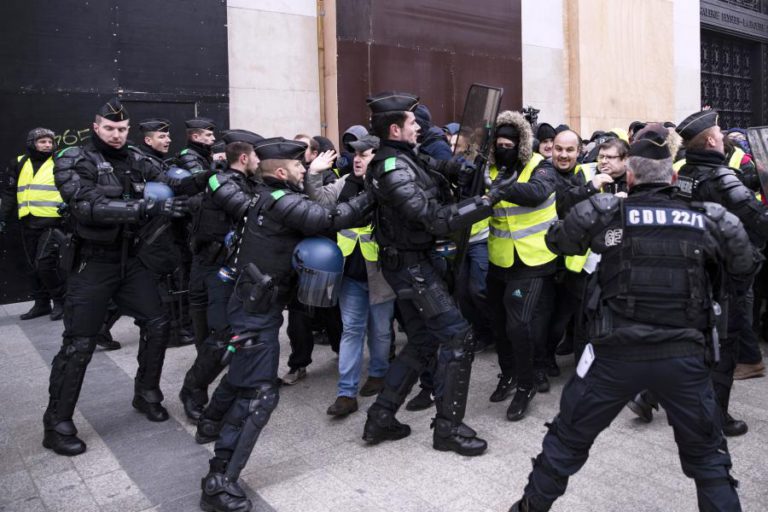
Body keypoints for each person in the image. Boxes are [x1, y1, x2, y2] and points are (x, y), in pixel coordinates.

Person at [508, 125, 758, 512]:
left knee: (564, 445)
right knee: (710, 462)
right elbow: (745, 265)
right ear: (673, 175)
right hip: (684, 359)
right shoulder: (710, 219)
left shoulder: (606, 212)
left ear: (632, 173)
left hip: (613, 355)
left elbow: (558, 240)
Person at [198, 137, 372, 512]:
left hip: (253, 303)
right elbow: (330, 218)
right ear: (281, 172)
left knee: (241, 372)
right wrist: (372, 193)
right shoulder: (282, 201)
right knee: (259, 394)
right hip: (256, 310)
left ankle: (210, 421)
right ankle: (219, 479)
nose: (303, 170)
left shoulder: (264, 195)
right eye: (298, 167)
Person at [360, 91, 517, 456]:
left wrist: (464, 166)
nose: (420, 128)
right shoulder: (392, 167)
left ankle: (381, 417)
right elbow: (433, 219)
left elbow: (433, 166)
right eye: (413, 123)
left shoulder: (402, 157)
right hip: (413, 269)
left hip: (413, 264)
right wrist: (488, 202)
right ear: (396, 128)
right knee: (458, 337)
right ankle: (448, 429)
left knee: (424, 341)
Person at [42, 98, 198, 456]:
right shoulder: (73, 158)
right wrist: (146, 206)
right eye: (110, 128)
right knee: (79, 344)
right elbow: (86, 205)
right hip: (93, 264)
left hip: (133, 261)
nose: (116, 135)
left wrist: (214, 178)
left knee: (158, 323)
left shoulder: (135, 157)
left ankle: (147, 393)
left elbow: (170, 178)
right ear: (96, 127)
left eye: (122, 129)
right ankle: (57, 422)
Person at [304, 134, 397, 416]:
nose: (357, 158)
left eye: (365, 154)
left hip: (381, 273)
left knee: (380, 332)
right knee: (352, 331)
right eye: (355, 154)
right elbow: (319, 199)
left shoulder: (391, 186)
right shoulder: (345, 183)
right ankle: (346, 392)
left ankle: (379, 374)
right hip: (350, 275)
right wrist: (314, 174)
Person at [180, 131, 263, 421]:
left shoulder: (242, 181)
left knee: (218, 334)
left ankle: (212, 389)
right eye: (255, 156)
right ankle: (193, 390)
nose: (258, 161)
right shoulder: (224, 182)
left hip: (219, 267)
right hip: (213, 269)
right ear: (243, 158)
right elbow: (247, 211)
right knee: (217, 335)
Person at [485, 110, 558, 420]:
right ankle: (509, 374)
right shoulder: (487, 170)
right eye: (499, 143)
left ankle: (526, 384)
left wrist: (503, 188)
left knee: (519, 324)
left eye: (509, 144)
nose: (504, 149)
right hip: (499, 258)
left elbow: (536, 194)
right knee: (500, 326)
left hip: (533, 259)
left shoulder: (540, 167)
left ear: (522, 145)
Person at [0, 127, 66, 320]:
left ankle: (60, 301)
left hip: (53, 221)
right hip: (27, 221)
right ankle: (41, 304)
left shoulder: (60, 162)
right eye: (42, 141)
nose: (47, 145)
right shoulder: (19, 163)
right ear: (32, 143)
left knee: (44, 264)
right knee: (32, 266)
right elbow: (9, 193)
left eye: (50, 142)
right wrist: (2, 217)